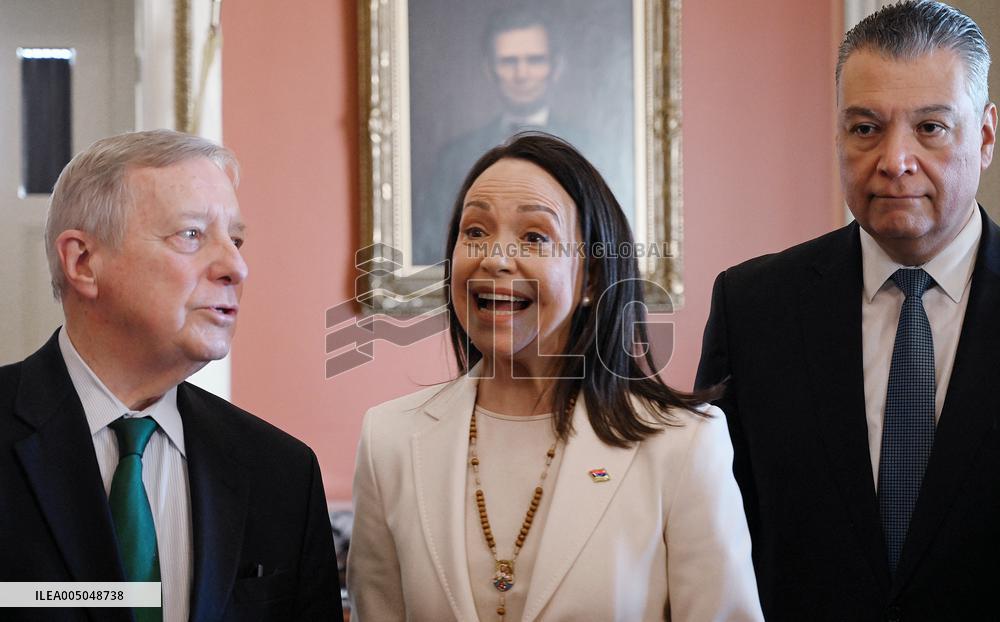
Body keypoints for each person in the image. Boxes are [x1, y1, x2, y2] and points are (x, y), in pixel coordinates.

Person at [349, 133, 763, 621]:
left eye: (534, 237)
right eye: (475, 231)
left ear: (590, 278)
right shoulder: (390, 439)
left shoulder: (683, 444)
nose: (495, 258)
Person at [695, 2, 1000, 620]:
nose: (894, 160)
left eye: (931, 128)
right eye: (866, 128)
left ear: (986, 135)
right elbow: (713, 533)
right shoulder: (753, 308)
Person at [0, 130, 343, 621]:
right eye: (191, 235)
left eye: (237, 239)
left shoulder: (282, 474)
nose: (236, 266)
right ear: (83, 261)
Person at [412, 5, 630, 267]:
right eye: (509, 61)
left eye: (534, 60)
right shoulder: (454, 156)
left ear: (555, 67)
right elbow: (432, 244)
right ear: (489, 70)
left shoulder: (595, 151)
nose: (522, 74)